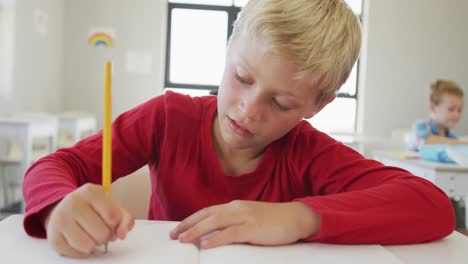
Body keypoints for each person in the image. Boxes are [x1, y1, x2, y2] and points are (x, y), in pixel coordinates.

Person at [23, 0, 454, 258]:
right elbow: (55, 165)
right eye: (243, 78)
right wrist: (58, 206)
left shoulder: (311, 152)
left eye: (281, 103)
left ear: (319, 106)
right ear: (228, 48)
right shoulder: (168, 117)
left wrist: (297, 218)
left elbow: (432, 205)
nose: (248, 110)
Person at [407, 79, 467, 151]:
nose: (457, 115)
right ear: (433, 107)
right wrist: (462, 143)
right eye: (451, 109)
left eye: (460, 110)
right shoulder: (421, 127)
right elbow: (427, 141)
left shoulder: (451, 137)